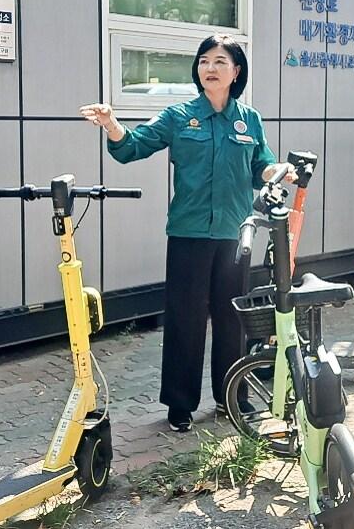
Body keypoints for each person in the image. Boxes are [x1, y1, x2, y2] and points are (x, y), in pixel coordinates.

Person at [80, 34, 294, 433]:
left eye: (219, 61)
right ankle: (180, 405)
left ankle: (233, 397)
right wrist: (111, 124)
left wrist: (278, 171)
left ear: (236, 71)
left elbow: (260, 167)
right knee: (185, 320)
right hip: (189, 233)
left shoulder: (250, 120)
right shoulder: (179, 116)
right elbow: (133, 146)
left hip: (236, 234)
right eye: (204, 61)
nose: (210, 68)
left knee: (233, 319)